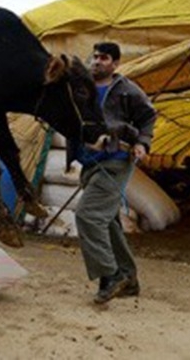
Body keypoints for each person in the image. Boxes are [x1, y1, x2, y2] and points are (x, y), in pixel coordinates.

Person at [67, 42, 156, 305]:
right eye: (94, 57)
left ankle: (111, 275)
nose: (96, 62)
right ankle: (129, 278)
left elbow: (148, 117)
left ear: (115, 63)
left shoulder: (127, 91)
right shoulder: (82, 90)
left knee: (88, 215)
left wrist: (143, 143)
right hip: (90, 162)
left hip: (116, 160)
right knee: (108, 221)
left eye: (103, 58)